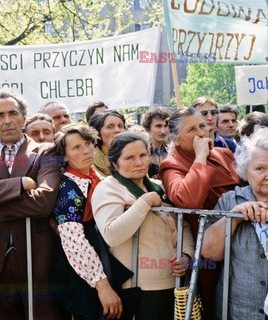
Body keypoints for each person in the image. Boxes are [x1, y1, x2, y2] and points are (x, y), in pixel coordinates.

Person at [0, 89, 69, 320]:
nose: (7, 120)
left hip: (39, 258)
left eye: (12, 113)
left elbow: (44, 201)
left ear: (24, 119)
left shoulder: (46, 151)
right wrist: (21, 183)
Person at [92, 132, 194, 320]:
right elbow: (111, 234)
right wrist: (144, 202)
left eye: (143, 155)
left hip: (175, 282)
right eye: (129, 158)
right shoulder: (108, 188)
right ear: (115, 163)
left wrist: (187, 254)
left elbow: (184, 225)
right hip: (138, 287)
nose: (139, 162)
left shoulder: (159, 186)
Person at [159, 106, 241, 319]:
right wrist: (200, 157)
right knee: (213, 305)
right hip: (205, 250)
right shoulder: (171, 165)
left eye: (203, 126)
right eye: (192, 129)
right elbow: (188, 200)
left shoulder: (224, 153)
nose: (202, 133)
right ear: (175, 139)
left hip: (240, 239)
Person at [51, 123, 122, 319]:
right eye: (76, 147)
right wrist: (102, 285)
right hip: (84, 272)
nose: (86, 151)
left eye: (88, 143)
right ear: (64, 156)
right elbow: (74, 242)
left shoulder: (95, 176)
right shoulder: (68, 187)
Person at [202, 126, 268, 320]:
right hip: (240, 310)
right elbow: (208, 252)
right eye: (260, 169)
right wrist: (233, 218)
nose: (267, 175)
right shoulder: (230, 200)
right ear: (245, 171)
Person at [88, 110, 126, 177]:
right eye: (110, 126)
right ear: (98, 134)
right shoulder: (90, 161)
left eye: (120, 126)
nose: (117, 130)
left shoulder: (134, 154)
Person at [141, 106, 171, 175]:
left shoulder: (171, 152)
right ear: (148, 128)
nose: (163, 131)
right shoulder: (143, 153)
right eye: (158, 126)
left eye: (166, 126)